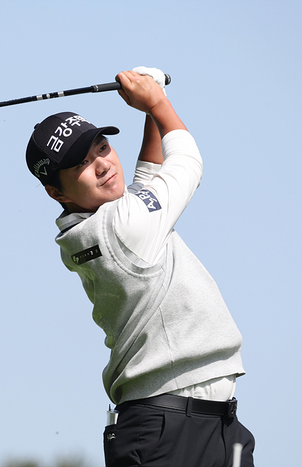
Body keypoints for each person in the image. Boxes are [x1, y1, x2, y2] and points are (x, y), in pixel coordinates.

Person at [25, 67, 255, 467]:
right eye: (81, 164)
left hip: (208, 422)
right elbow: (187, 163)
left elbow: (148, 179)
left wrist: (150, 111)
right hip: (167, 427)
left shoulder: (95, 225)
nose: (102, 164)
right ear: (55, 191)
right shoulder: (123, 227)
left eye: (101, 147)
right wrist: (157, 102)